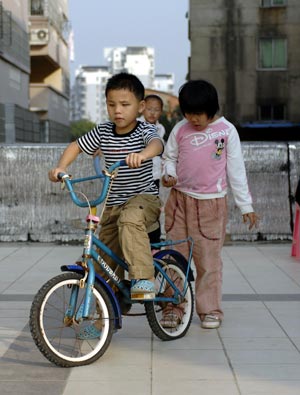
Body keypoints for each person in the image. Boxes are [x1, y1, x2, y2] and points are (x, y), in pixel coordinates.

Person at [49, 72, 164, 303]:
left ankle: (143, 279)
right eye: (112, 105)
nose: (117, 110)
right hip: (112, 204)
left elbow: (157, 144)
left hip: (143, 200)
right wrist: (60, 168)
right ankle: (102, 314)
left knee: (130, 219)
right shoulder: (103, 131)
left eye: (124, 104)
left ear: (140, 107)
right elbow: (76, 146)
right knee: (103, 261)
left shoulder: (144, 131)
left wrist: (142, 155)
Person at [161, 79, 259, 329]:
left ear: (212, 109)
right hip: (179, 202)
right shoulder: (180, 130)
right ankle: (173, 306)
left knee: (209, 261)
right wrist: (169, 173)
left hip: (211, 205)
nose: (193, 119)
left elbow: (236, 170)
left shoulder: (226, 131)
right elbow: (169, 157)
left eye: (198, 114)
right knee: (175, 257)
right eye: (188, 114)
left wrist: (245, 205)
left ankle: (210, 310)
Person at [139, 94, 166, 243]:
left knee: (153, 210)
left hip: (154, 178)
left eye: (156, 110)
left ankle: (154, 245)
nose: (152, 113)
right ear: (142, 108)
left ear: (161, 112)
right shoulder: (136, 125)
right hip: (137, 176)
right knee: (137, 211)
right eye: (149, 109)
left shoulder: (161, 129)